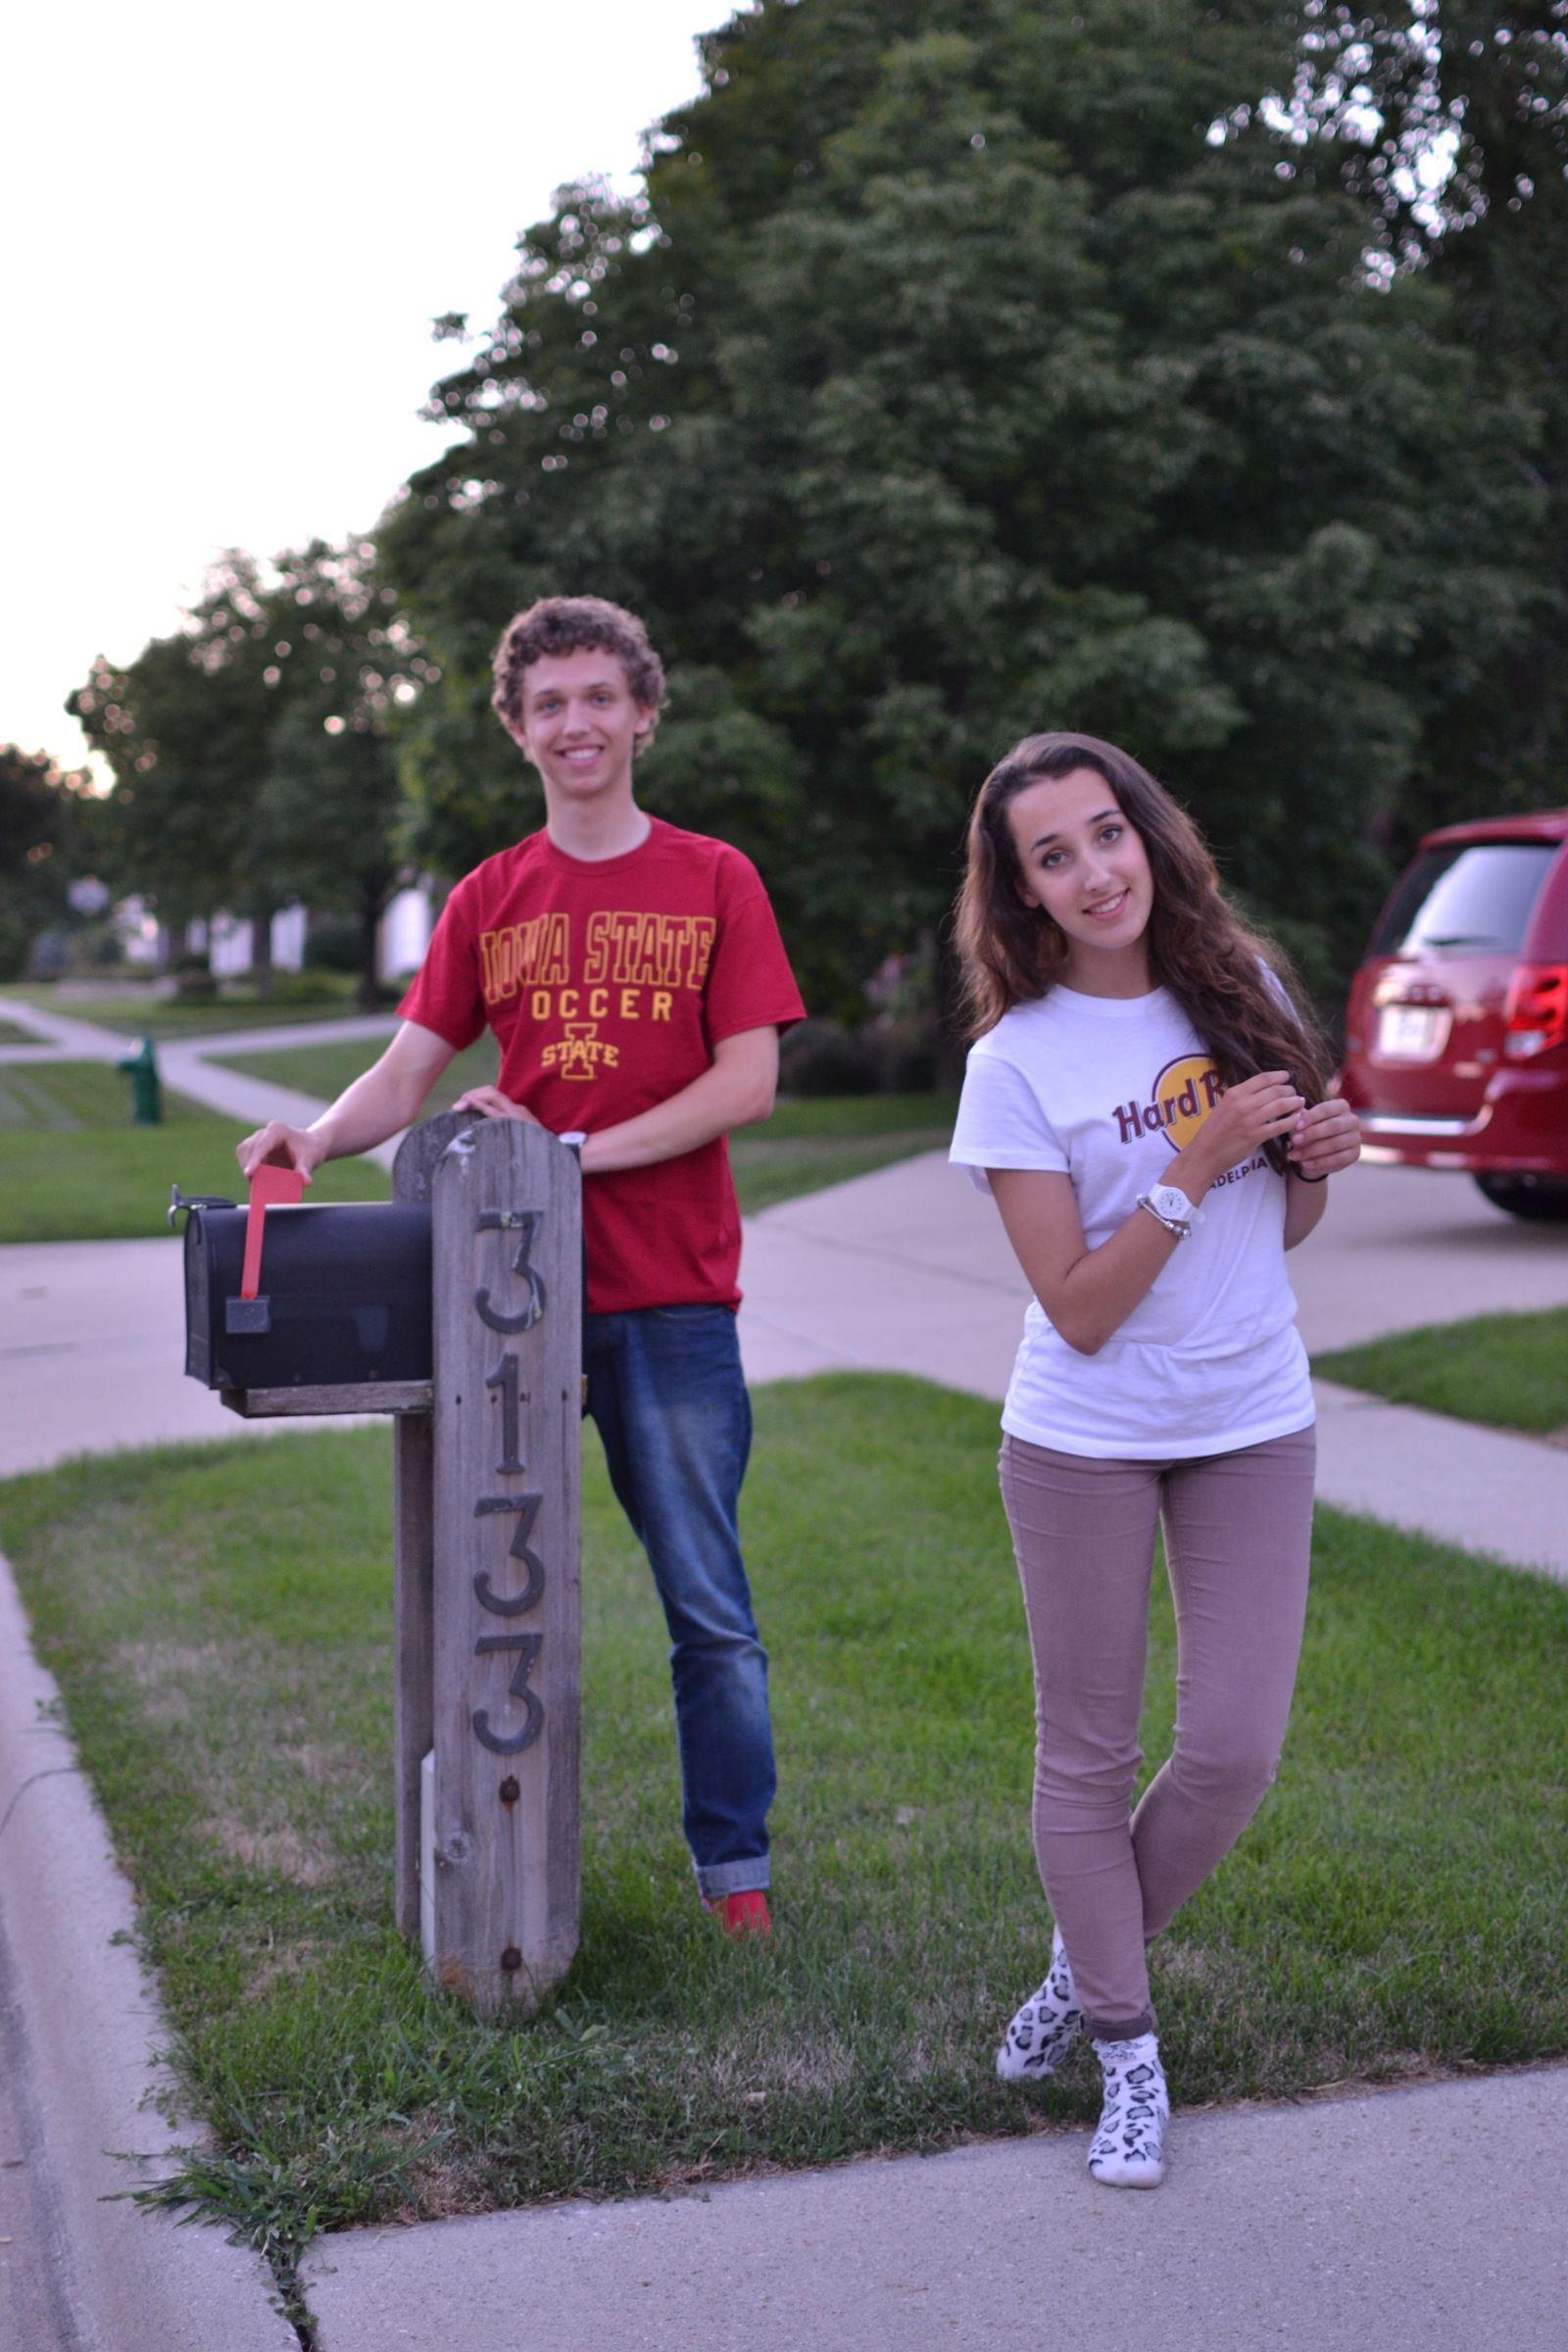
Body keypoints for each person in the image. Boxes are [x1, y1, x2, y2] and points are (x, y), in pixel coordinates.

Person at [237, 595, 805, 1936]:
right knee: (492, 1600)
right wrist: (312, 1142)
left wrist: (566, 1152)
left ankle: (739, 1885)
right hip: (507, 1305)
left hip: (669, 1300)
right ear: (517, 727)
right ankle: (489, 1869)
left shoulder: (715, 876)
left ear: (644, 712)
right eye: (549, 703)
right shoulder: (493, 896)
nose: (577, 723)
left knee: (708, 1609)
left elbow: (750, 1083)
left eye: (600, 697)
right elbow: (412, 1069)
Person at [947, 730, 1360, 2188]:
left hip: (1252, 1413)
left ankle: (1079, 1956)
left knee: (1237, 1747)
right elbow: (1080, 1307)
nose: (1092, 870)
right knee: (1089, 1752)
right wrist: (1190, 1167)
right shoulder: (1017, 1062)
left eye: (1105, 833)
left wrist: (1311, 1159)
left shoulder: (1242, 990)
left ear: (1148, 836)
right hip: (1086, 1437)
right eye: (1051, 856)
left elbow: (1284, 1228)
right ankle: (1125, 2046)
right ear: (1022, 893)